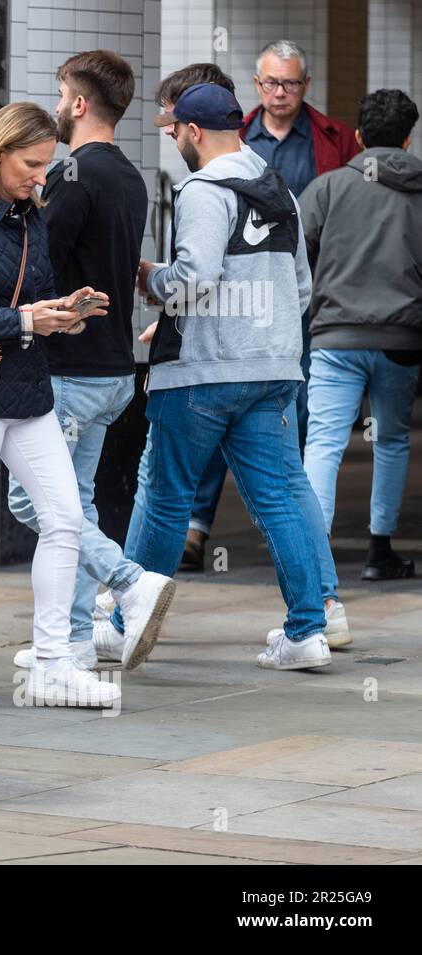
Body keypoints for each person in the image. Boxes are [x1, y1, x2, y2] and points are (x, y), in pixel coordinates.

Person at [128, 65, 352, 652]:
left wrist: (151, 280)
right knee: (279, 496)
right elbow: (301, 288)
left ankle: (126, 623)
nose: (173, 140)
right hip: (274, 368)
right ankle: (308, 631)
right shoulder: (279, 190)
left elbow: (195, 277)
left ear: (195, 131)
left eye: (175, 130)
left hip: (203, 372)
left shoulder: (204, 191)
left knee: (166, 494)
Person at [0, 101, 123, 708]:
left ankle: (53, 663)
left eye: (47, 165)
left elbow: (27, 305)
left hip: (28, 392)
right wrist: (26, 319)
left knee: (64, 519)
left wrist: (61, 313)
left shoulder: (29, 218)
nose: (41, 176)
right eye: (32, 164)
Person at [6, 50, 175, 674]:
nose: (56, 104)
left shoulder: (72, 173)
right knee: (74, 502)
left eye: (59, 93)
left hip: (68, 369)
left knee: (39, 504)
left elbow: (36, 264)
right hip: (113, 371)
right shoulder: (130, 176)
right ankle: (75, 639)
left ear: (77, 103)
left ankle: (128, 581)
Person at [180, 40, 361, 570]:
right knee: (214, 412)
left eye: (291, 83)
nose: (280, 92)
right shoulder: (234, 138)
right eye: (270, 83)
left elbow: (346, 225)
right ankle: (196, 528)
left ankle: (288, 534)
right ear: (257, 87)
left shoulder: (333, 142)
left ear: (306, 86)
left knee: (292, 418)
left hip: (299, 303)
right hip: (230, 304)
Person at [300, 88, 422, 581]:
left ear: (357, 137)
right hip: (402, 340)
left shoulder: (327, 189)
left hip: (334, 338)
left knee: (324, 443)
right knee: (391, 441)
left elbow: (295, 258)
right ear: (409, 141)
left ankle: (314, 557)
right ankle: (379, 551)